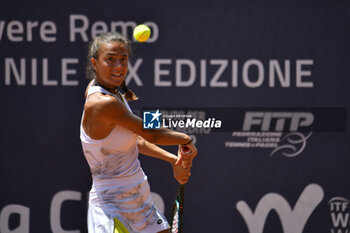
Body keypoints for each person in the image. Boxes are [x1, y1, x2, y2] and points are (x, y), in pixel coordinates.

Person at [80, 32, 197, 233]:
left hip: (140, 199)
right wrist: (185, 138)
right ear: (95, 63)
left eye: (123, 59)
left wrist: (172, 160)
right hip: (111, 206)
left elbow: (134, 140)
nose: (118, 66)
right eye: (110, 59)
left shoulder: (114, 93)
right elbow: (152, 134)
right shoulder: (102, 103)